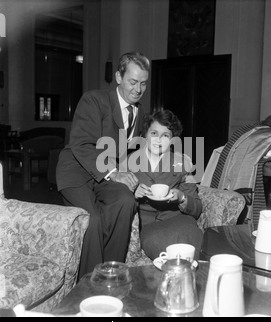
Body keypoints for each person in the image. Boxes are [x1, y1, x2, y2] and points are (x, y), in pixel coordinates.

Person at [56, 51, 150, 279]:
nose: (138, 89)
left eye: (144, 84)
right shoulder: (94, 100)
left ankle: (111, 275)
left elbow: (131, 155)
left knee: (126, 200)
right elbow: (82, 145)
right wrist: (115, 173)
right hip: (76, 173)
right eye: (133, 82)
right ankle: (88, 286)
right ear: (119, 77)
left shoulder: (139, 112)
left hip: (105, 178)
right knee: (93, 220)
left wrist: (135, 181)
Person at [128, 109, 203, 260]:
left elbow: (197, 208)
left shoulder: (183, 162)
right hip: (148, 226)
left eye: (166, 135)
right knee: (170, 258)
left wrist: (182, 197)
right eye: (154, 133)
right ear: (144, 135)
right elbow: (115, 199)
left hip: (179, 220)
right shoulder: (128, 163)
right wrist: (132, 193)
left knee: (197, 255)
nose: (159, 140)